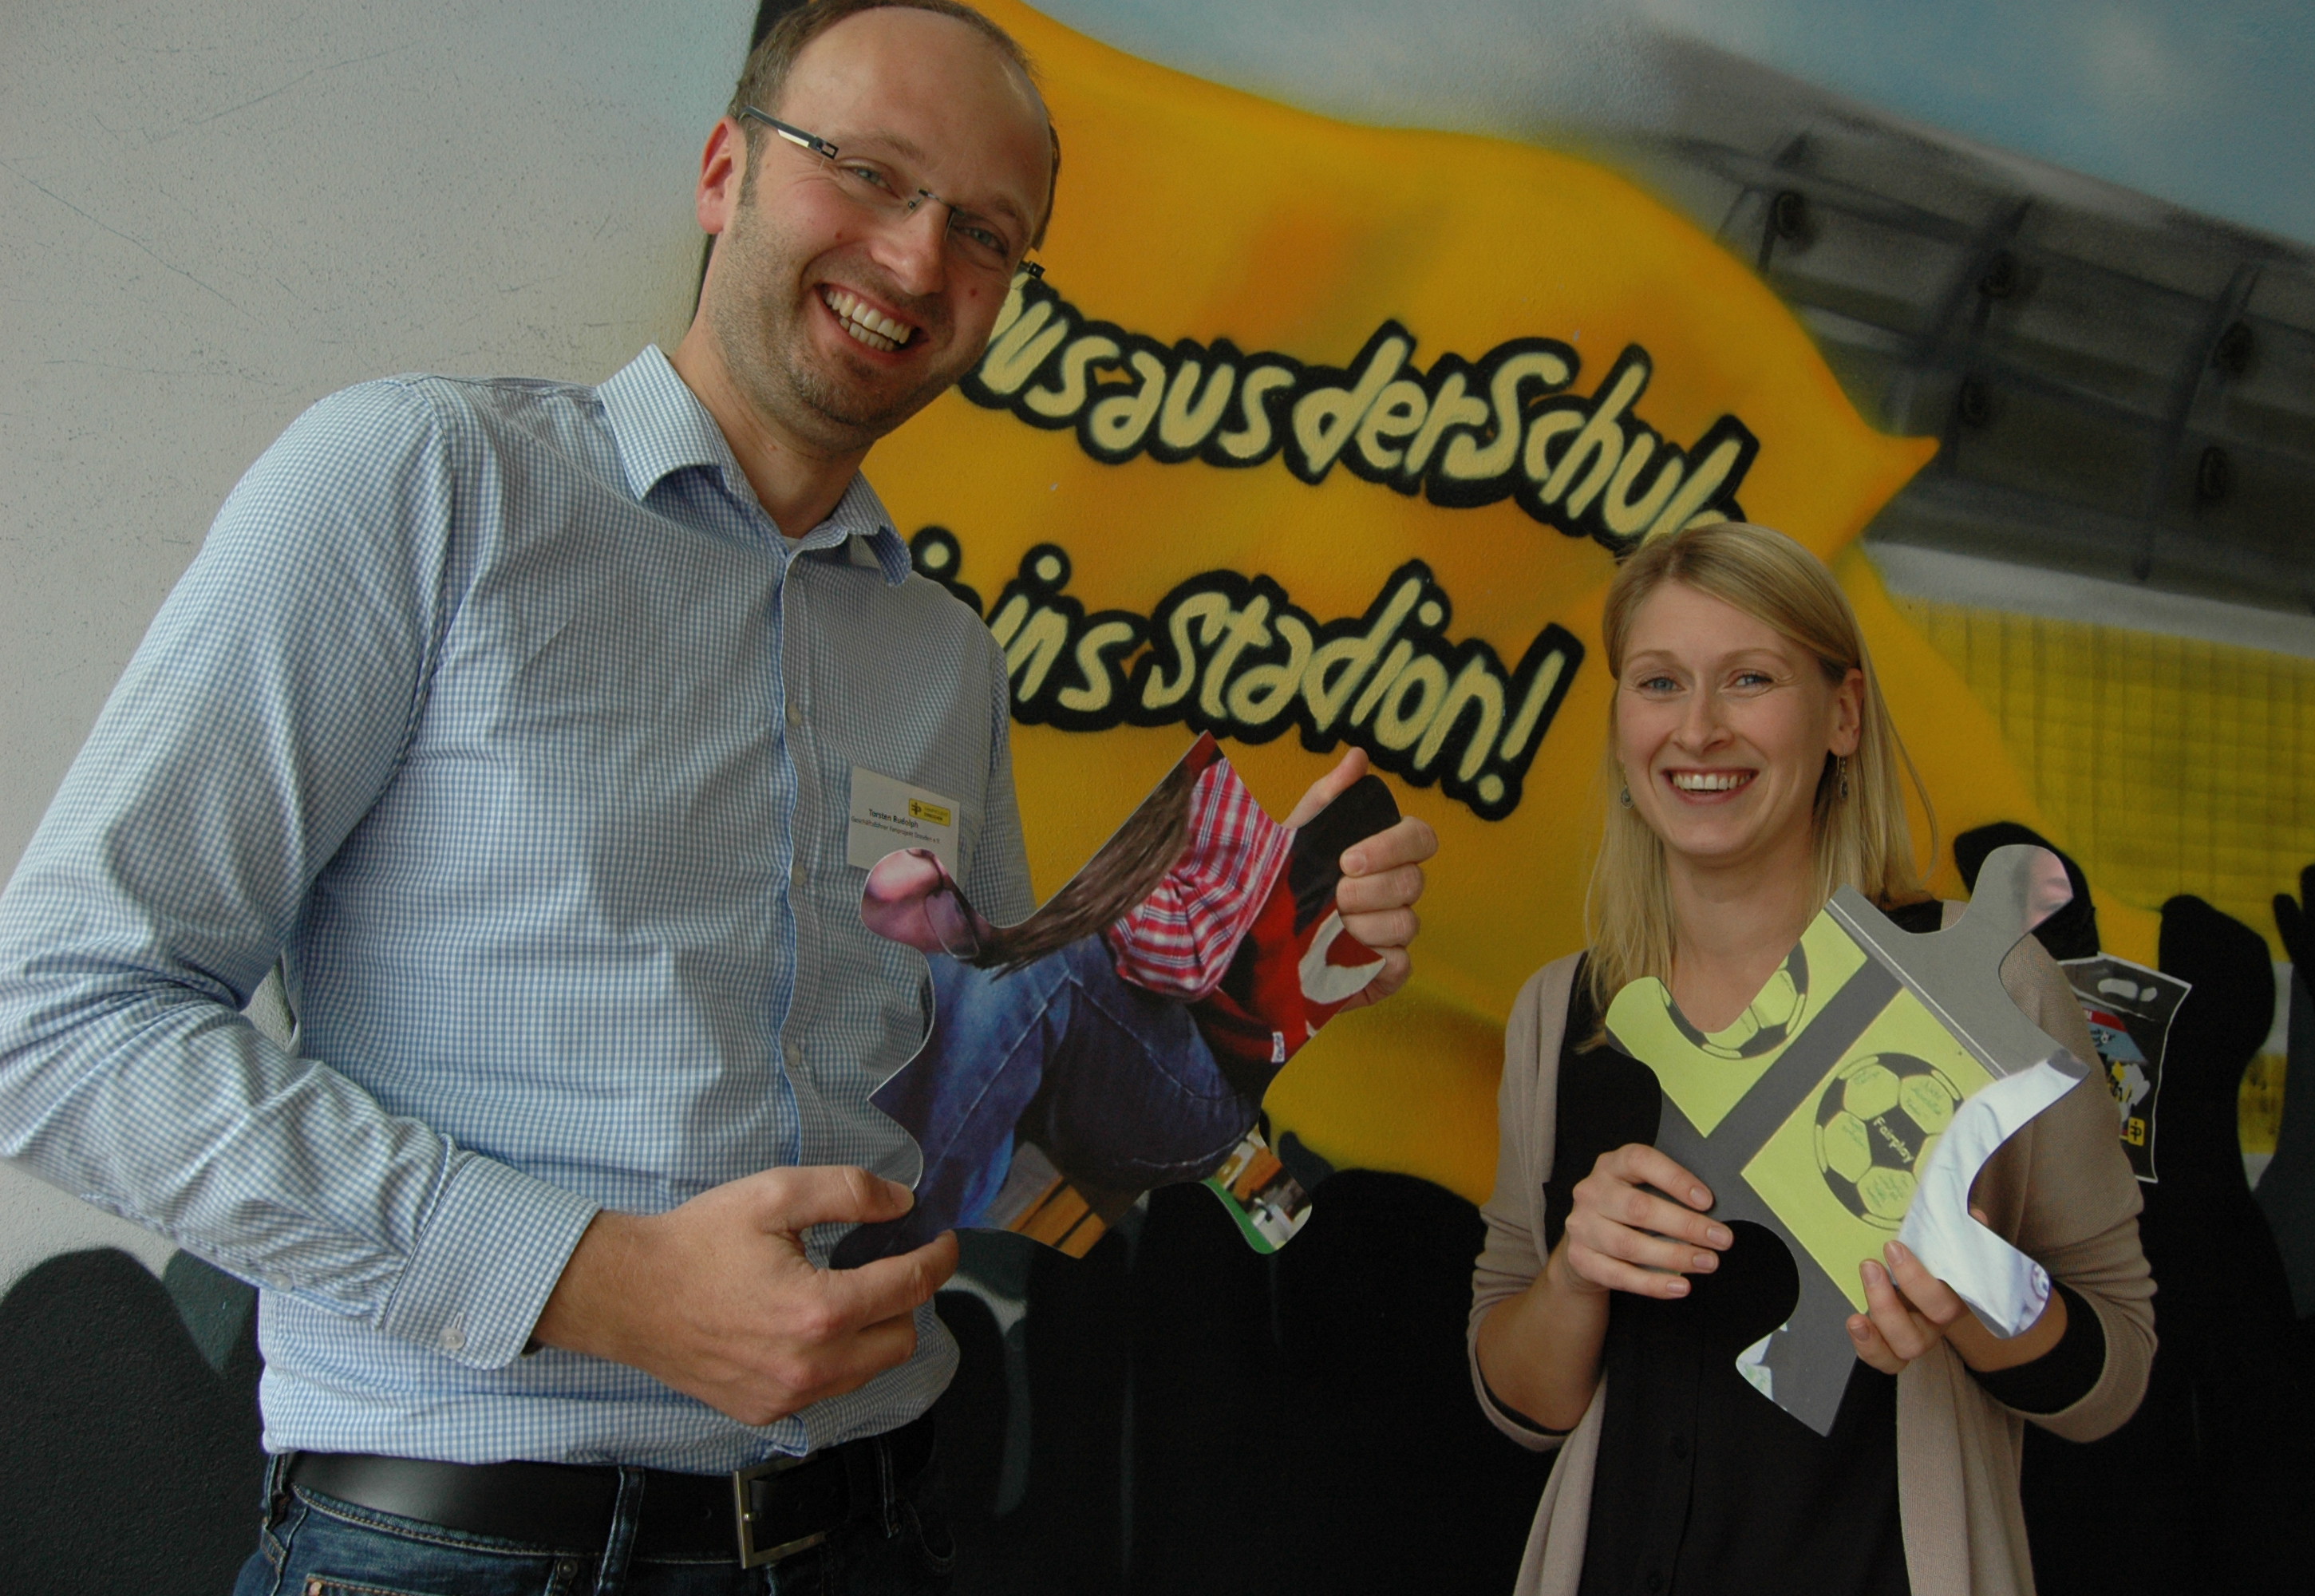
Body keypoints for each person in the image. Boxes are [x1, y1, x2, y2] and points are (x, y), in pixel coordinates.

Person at [0, 2, 1435, 1591]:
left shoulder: (940, 654)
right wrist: (596, 1281)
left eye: (983, 231)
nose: (913, 260)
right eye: (871, 175)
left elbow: (982, 1103)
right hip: (462, 1546)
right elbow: (59, 1017)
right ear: (722, 170)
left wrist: (1240, 994)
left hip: (873, 1528)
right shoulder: (419, 483)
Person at [1467, 522, 2152, 1596]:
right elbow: (1519, 1403)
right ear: (1618, 723)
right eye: (1659, 683)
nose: (1697, 729)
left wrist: (1967, 1290)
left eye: (1749, 679)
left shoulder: (1991, 983)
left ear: (1841, 715)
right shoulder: (1564, 1014)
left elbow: (2116, 1374)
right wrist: (1574, 1274)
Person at [844, 742, 1389, 1259]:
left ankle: (875, 1246)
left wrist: (1040, 863)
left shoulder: (1221, 767)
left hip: (1207, 1085)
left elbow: (1189, 959)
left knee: (1037, 962)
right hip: (1103, 1039)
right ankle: (974, 1194)